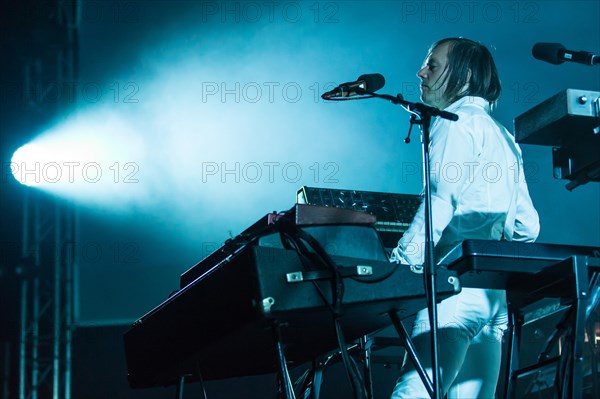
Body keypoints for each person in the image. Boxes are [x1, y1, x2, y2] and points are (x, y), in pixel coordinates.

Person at [389, 38, 540, 398]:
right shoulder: (504, 136)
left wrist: (399, 266)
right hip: (492, 300)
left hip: (452, 289)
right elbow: (528, 227)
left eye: (433, 65)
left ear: (465, 74)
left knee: (414, 392)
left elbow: (441, 200)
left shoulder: (453, 122)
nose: (420, 72)